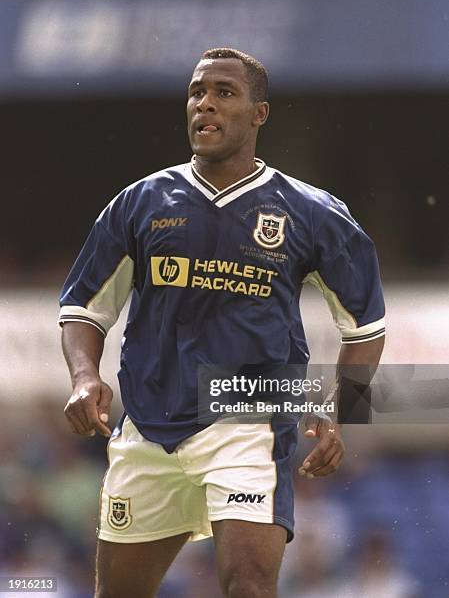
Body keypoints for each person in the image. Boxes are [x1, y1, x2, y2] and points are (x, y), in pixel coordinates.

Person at [59, 48, 385, 598]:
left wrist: (339, 412)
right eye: (196, 92)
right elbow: (83, 309)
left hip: (248, 419)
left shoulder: (311, 213)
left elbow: (365, 327)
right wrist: (84, 376)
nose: (205, 104)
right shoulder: (139, 203)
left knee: (249, 585)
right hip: (148, 424)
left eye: (224, 93)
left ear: (259, 113)